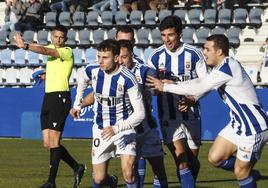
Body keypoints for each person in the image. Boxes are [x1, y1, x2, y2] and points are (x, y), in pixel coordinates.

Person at [147, 34, 268, 188]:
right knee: (215, 157)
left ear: (219, 52)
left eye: (207, 49)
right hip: (238, 123)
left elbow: (200, 87)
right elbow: (200, 81)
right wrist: (174, 82)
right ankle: (248, 171)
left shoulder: (229, 67)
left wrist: (165, 86)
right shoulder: (220, 68)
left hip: (253, 126)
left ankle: (245, 172)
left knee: (240, 172)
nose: (204, 52)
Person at [14, 25, 85, 188]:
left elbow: (47, 52)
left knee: (54, 141)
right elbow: (44, 49)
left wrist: (25, 46)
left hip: (61, 97)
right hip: (48, 97)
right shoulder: (50, 47)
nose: (58, 39)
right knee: (48, 143)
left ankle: (51, 182)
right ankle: (77, 167)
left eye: (61, 37)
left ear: (65, 39)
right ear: (52, 36)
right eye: (56, 36)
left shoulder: (67, 51)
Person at [72, 39, 145, 188]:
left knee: (128, 172)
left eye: (105, 57)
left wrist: (116, 128)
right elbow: (82, 80)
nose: (100, 61)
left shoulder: (128, 79)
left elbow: (140, 113)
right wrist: (77, 104)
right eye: (99, 57)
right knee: (99, 179)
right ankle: (111, 182)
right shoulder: (92, 70)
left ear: (117, 58)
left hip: (123, 129)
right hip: (101, 130)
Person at [147, 15, 208, 187]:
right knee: (182, 161)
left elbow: (206, 84)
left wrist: (191, 98)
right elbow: (150, 87)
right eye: (164, 35)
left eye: (171, 35)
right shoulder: (155, 57)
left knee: (192, 162)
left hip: (191, 112)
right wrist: (153, 89)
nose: (167, 40)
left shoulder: (194, 54)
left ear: (179, 34)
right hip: (168, 115)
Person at [115, 26, 157, 187]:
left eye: (128, 41)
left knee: (137, 162)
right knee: (103, 170)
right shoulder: (105, 64)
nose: (123, 44)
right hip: (115, 124)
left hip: (139, 123)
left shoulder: (138, 66)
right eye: (120, 41)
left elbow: (153, 82)